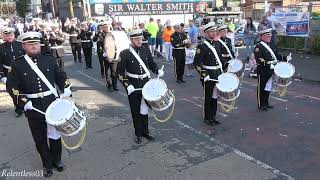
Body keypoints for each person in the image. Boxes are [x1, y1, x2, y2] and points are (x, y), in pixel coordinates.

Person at [6, 32, 72, 178]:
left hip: (52, 103)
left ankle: (57, 160)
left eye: (36, 43)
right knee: (40, 136)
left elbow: (61, 76)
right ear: (23, 46)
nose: (34, 46)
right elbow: (11, 86)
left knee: (55, 134)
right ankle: (47, 164)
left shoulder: (49, 59)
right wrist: (23, 101)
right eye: (30, 44)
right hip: (32, 105)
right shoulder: (17, 64)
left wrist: (66, 88)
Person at [116, 29, 164, 144]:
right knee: (135, 110)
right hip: (133, 85)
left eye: (140, 38)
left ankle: (145, 131)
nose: (139, 41)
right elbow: (119, 72)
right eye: (136, 39)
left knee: (144, 109)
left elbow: (151, 63)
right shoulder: (124, 53)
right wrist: (127, 85)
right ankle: (138, 133)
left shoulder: (145, 50)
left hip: (146, 84)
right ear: (131, 39)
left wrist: (157, 70)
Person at [254, 28, 291, 111]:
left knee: (268, 87)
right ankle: (261, 104)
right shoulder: (258, 46)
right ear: (262, 37)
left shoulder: (271, 45)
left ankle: (266, 103)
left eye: (270, 36)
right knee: (261, 87)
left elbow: (276, 55)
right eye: (267, 36)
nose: (269, 38)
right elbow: (259, 60)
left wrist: (285, 58)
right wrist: (268, 64)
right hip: (263, 70)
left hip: (272, 69)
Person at [193, 22, 222, 126]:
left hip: (218, 74)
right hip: (208, 76)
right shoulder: (202, 47)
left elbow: (220, 59)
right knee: (208, 97)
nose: (214, 33)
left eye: (214, 31)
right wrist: (204, 74)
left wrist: (227, 65)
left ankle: (213, 116)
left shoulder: (217, 44)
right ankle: (207, 117)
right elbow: (196, 63)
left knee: (215, 97)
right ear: (206, 33)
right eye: (211, 31)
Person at [0, 27, 25, 117]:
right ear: (3, 36)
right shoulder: (1, 47)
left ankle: (26, 106)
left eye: (11, 35)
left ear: (14, 35)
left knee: (24, 88)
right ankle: (18, 108)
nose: (9, 37)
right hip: (9, 72)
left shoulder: (20, 44)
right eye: (7, 35)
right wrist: (2, 76)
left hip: (22, 71)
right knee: (13, 91)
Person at [93, 21, 118, 92]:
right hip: (104, 54)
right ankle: (109, 85)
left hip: (113, 53)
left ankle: (115, 85)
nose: (106, 28)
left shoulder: (112, 33)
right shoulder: (99, 34)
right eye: (104, 26)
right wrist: (98, 34)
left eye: (107, 26)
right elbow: (94, 40)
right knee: (106, 71)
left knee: (114, 71)